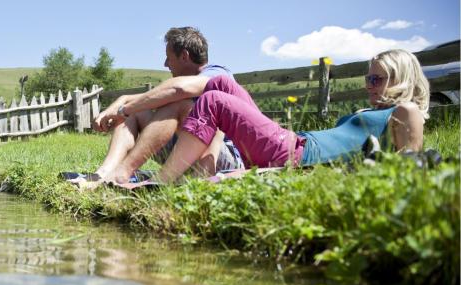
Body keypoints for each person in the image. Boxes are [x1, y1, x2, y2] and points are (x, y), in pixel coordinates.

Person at [150, 48, 428, 183]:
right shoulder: (371, 112)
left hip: (295, 154)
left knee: (213, 100)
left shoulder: (407, 110)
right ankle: (194, 173)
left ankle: (164, 181)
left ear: (401, 78)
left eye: (377, 79)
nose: (368, 84)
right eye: (368, 78)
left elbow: (407, 169)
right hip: (294, 142)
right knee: (222, 84)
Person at [88, 27, 243, 186]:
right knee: (135, 112)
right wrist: (123, 100)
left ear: (184, 56)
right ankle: (103, 174)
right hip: (186, 153)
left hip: (221, 161)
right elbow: (150, 99)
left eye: (169, 58)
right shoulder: (186, 84)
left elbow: (178, 89)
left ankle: (125, 173)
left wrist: (123, 109)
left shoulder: (219, 75)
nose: (165, 64)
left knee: (178, 105)